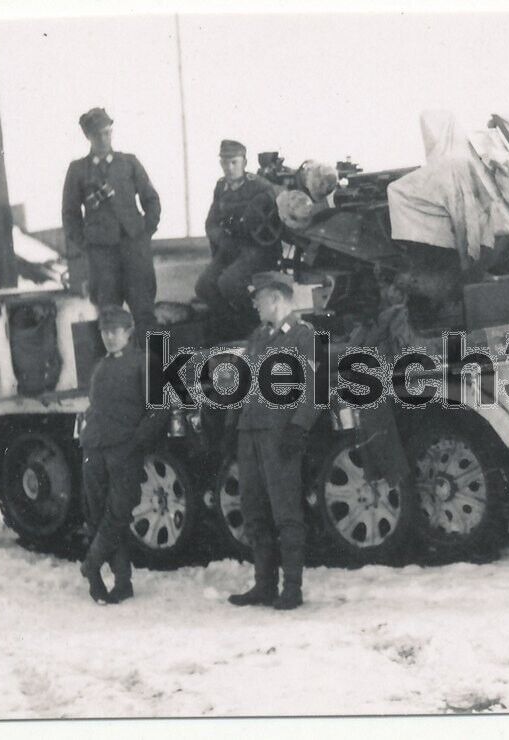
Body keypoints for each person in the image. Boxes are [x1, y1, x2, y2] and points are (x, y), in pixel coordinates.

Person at [227, 272, 320, 610]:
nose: (255, 304)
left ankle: (291, 587)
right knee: (253, 510)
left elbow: (315, 388)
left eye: (259, 297)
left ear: (277, 298)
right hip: (250, 433)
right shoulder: (258, 337)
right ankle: (264, 584)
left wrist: (299, 427)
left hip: (280, 434)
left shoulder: (303, 335)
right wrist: (233, 425)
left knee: (286, 512)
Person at [79, 306, 167, 604]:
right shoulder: (100, 366)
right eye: (104, 332)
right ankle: (121, 581)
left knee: (118, 513)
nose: (109, 337)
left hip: (123, 450)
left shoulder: (144, 362)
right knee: (98, 514)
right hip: (94, 448)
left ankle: (91, 565)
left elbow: (159, 411)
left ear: (129, 332)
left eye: (115, 331)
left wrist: (136, 441)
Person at [62, 107, 161, 345]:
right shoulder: (78, 170)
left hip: (135, 250)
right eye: (98, 135)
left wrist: (145, 233)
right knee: (109, 317)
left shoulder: (129, 162)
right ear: (88, 136)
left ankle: (158, 365)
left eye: (107, 133)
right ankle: (117, 365)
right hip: (102, 257)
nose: (104, 139)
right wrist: (87, 243)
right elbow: (70, 215)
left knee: (145, 313)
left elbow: (151, 199)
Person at [195, 140, 282, 339]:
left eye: (234, 162)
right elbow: (211, 223)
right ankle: (234, 326)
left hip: (258, 249)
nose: (230, 167)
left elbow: (275, 223)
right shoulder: (221, 187)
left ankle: (255, 326)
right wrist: (223, 241)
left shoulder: (260, 186)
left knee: (229, 283)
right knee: (204, 286)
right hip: (230, 247)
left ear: (244, 162)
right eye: (225, 163)